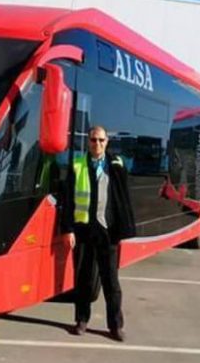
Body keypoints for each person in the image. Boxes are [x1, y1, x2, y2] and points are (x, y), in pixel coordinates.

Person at [61, 125, 136, 342]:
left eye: (101, 140)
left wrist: (122, 230)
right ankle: (82, 320)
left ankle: (115, 326)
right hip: (83, 231)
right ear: (88, 142)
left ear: (107, 142)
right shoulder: (77, 165)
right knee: (83, 280)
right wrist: (67, 229)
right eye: (93, 140)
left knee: (111, 283)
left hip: (107, 232)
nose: (97, 144)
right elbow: (67, 202)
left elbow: (123, 197)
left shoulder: (115, 165)